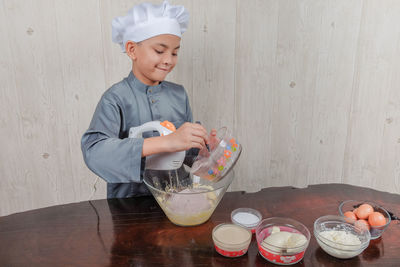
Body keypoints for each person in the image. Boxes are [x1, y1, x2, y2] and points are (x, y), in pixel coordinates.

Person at [81, 0, 212, 198]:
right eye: (160, 51)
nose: (168, 59)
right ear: (132, 50)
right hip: (130, 207)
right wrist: (166, 142)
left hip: (177, 199)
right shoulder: (115, 98)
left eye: (175, 52)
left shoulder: (179, 94)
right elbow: (95, 152)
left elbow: (186, 155)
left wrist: (203, 148)